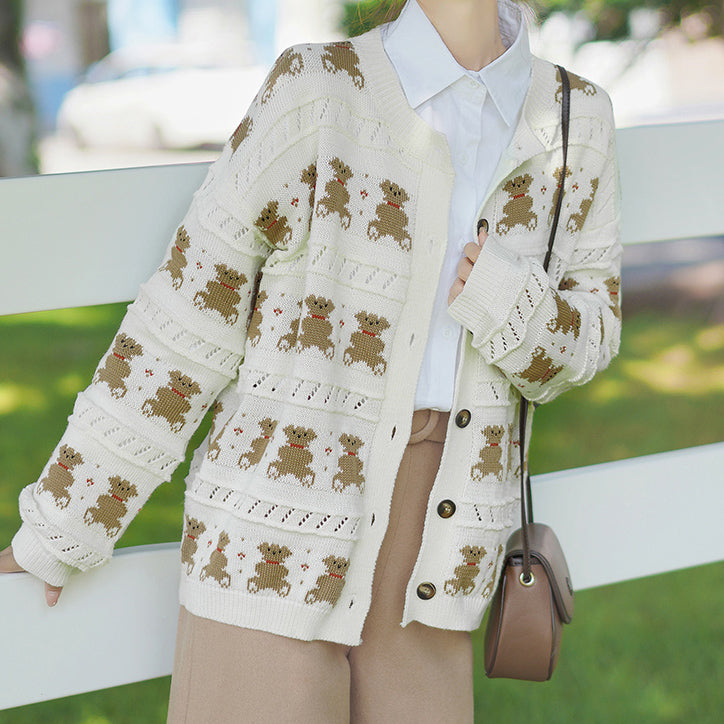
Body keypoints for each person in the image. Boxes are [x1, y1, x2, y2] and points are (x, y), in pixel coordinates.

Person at [0, 0, 622, 720]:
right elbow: (185, 319)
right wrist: (64, 525)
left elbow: (589, 340)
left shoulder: (578, 123)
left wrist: (504, 298)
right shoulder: (318, 91)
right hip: (269, 546)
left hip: (438, 566)